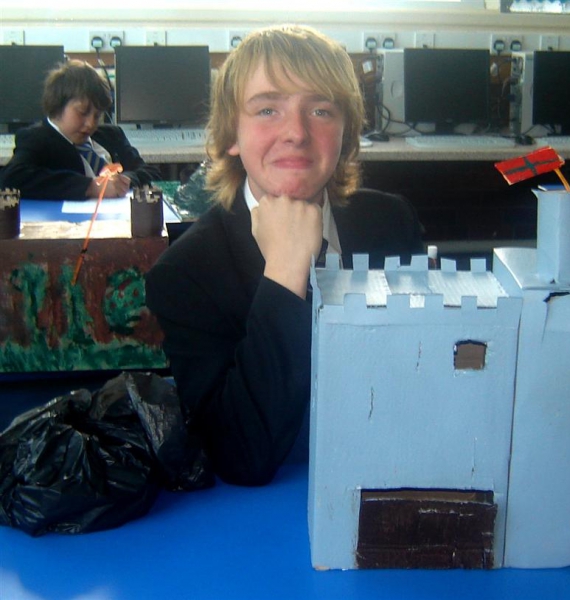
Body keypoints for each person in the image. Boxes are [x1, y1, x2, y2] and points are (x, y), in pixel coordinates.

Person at [145, 25, 424, 486]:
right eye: (267, 109)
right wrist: (285, 273)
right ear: (232, 135)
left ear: (346, 134)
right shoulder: (186, 273)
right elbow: (239, 456)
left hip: (389, 471)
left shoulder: (391, 222)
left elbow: (422, 376)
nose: (296, 132)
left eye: (320, 110)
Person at [0, 59, 159, 200]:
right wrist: (90, 187)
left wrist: (125, 181)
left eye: (97, 115)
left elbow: (150, 172)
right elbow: (11, 178)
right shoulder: (36, 139)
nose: (90, 124)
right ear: (58, 105)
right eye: (82, 112)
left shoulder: (112, 135)